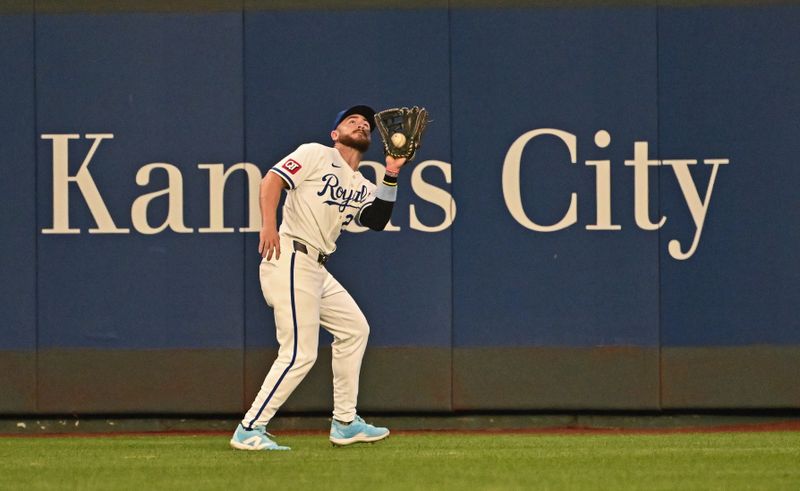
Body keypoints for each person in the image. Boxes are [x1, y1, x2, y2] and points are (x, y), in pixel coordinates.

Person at [230, 105, 405, 451]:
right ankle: (250, 428)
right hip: (291, 256)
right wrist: (268, 225)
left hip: (316, 268)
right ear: (334, 134)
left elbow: (377, 219)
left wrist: (392, 172)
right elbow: (272, 179)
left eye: (366, 124)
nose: (361, 125)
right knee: (299, 353)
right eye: (351, 121)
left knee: (355, 329)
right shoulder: (315, 154)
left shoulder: (359, 183)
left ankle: (344, 422)